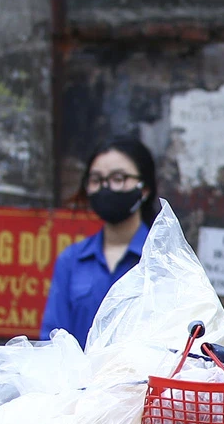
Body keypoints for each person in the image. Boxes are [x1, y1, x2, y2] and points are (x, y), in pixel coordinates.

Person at [40, 137, 156, 347]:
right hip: (77, 379)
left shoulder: (163, 260)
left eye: (118, 178)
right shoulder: (71, 260)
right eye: (96, 180)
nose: (106, 188)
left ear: (144, 188)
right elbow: (52, 340)